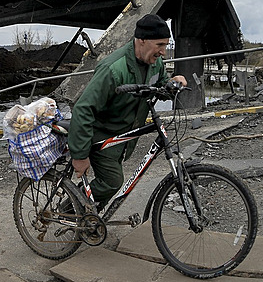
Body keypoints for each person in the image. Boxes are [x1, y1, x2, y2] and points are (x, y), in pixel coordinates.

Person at [68, 14, 187, 211]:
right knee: (112, 182)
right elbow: (83, 108)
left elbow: (158, 83)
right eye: (160, 45)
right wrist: (79, 155)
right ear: (141, 40)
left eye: (166, 45)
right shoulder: (113, 69)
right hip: (101, 135)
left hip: (122, 136)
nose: (163, 52)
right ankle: (68, 212)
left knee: (108, 186)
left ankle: (90, 220)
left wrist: (171, 84)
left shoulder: (153, 62)